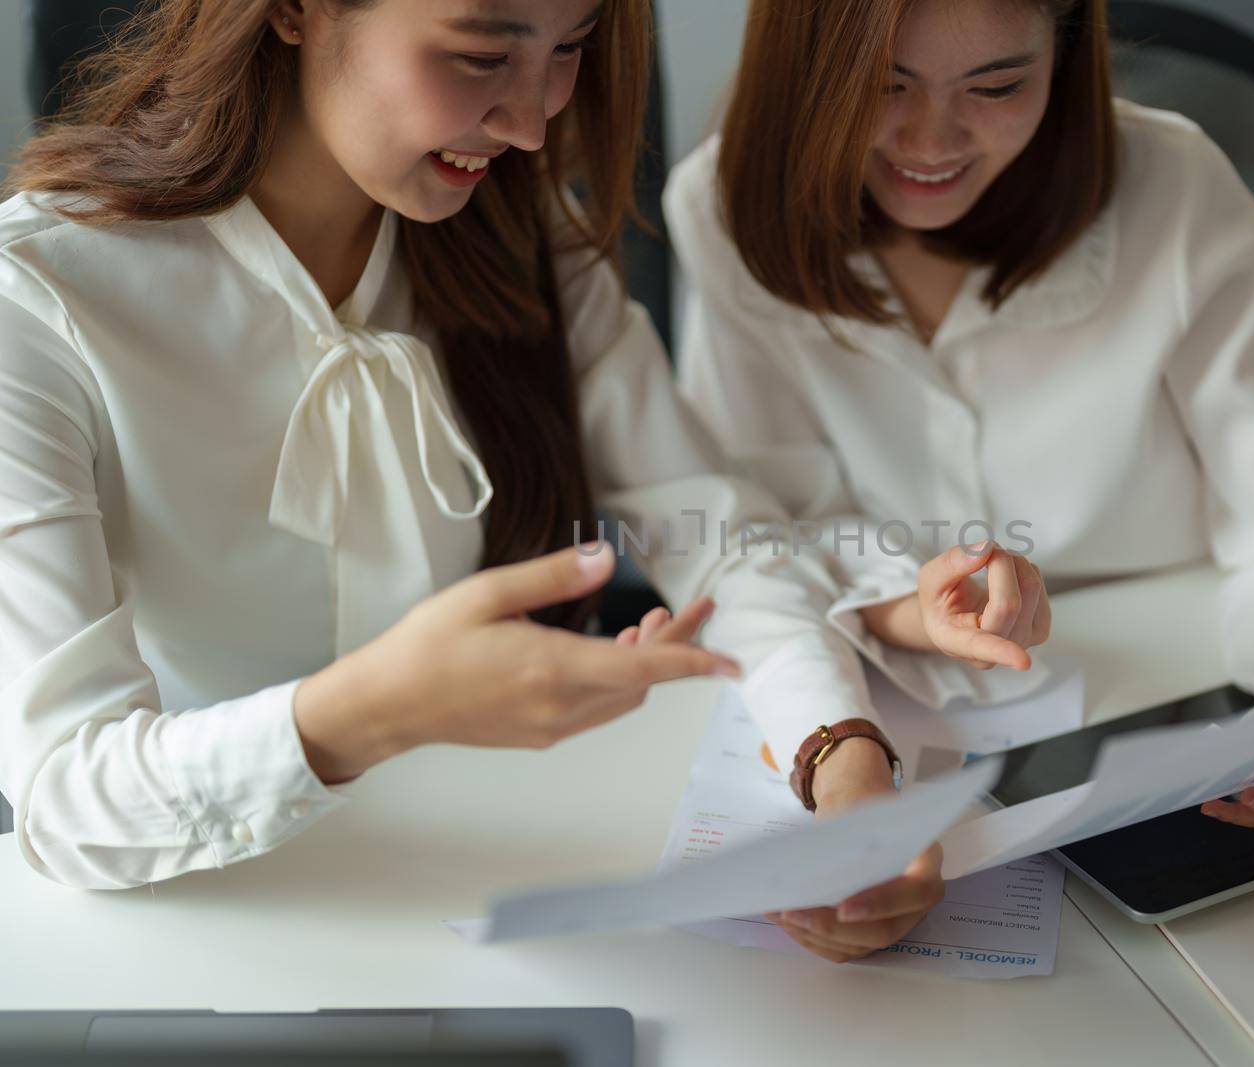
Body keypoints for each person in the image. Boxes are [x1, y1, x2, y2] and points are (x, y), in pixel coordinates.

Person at [668, 0, 1254, 962]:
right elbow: (761, 533)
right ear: (805, 70)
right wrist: (883, 665)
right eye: (884, 86)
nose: (932, 140)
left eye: (997, 86)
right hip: (904, 703)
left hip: (1190, 702)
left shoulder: (1178, 186)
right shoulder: (725, 204)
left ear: (1065, 58)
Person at [0, 0, 898, 895]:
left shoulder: (529, 246)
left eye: (571, 50)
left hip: (497, 879)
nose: (534, 122)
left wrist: (841, 755)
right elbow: (66, 800)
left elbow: (720, 536)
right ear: (292, 11)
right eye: (480, 57)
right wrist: (376, 711)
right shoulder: (40, 300)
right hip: (210, 911)